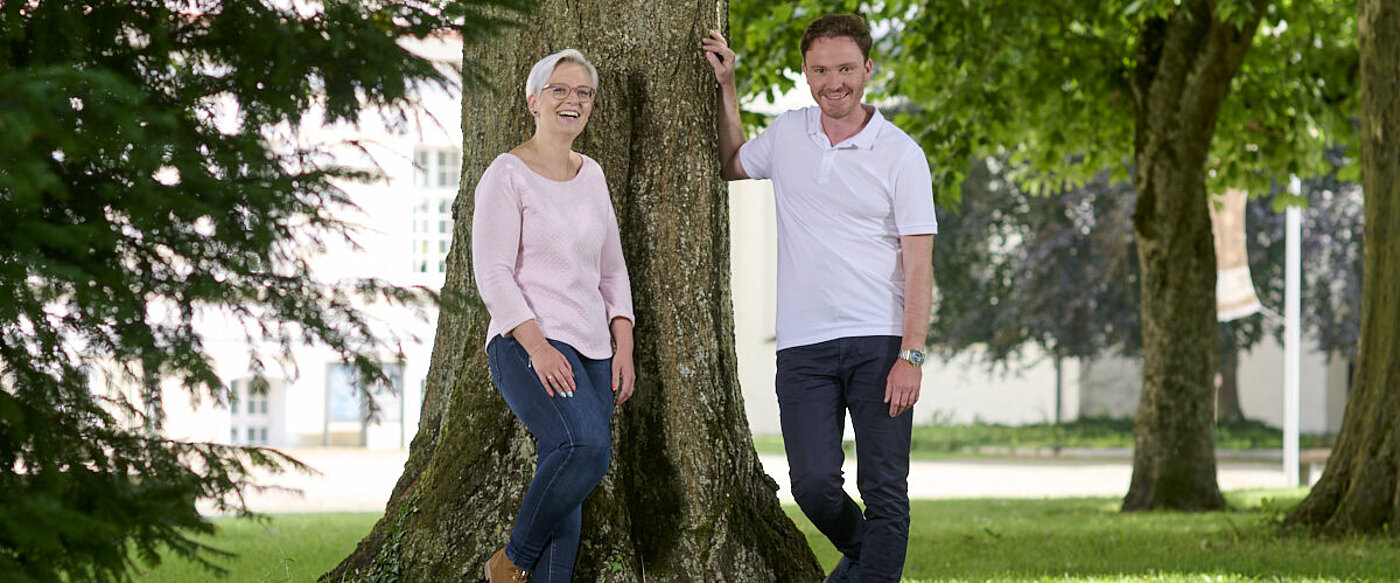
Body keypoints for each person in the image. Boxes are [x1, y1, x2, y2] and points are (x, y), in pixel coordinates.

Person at [703, 14, 936, 583]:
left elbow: (920, 263)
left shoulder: (901, 154)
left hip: (881, 344)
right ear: (806, 74)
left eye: (846, 69)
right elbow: (734, 165)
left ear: (867, 70)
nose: (835, 82)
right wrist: (727, 87)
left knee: (884, 489)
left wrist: (912, 355)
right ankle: (865, 556)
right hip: (804, 346)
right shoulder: (788, 134)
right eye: (821, 70)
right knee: (810, 485)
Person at [471, 48, 636, 583]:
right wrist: (538, 347)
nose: (573, 101)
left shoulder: (592, 175)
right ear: (533, 101)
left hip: (594, 348)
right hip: (528, 342)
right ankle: (510, 563)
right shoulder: (507, 175)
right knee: (584, 449)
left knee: (567, 470)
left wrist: (624, 344)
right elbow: (493, 273)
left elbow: (612, 270)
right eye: (560, 90)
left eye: (583, 92)